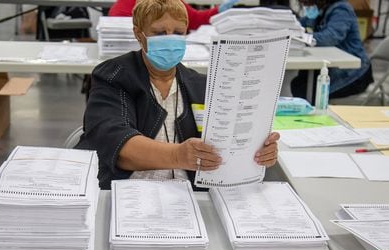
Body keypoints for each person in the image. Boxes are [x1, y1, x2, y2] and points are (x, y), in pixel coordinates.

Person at [76, 0, 280, 190]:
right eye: (159, 33)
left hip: (190, 197)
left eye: (178, 32)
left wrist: (255, 152)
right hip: (128, 192)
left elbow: (225, 144)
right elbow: (114, 144)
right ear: (139, 34)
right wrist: (178, 155)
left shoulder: (201, 85)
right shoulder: (113, 76)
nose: (170, 39)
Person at [291, 0, 373, 102]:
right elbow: (302, 24)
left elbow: (331, 37)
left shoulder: (341, 10)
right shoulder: (321, 10)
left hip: (353, 74)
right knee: (300, 82)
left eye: (307, 2)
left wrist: (302, 37)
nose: (305, 5)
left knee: (307, 90)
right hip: (333, 69)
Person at [108, 0, 239, 30]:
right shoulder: (124, 7)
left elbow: (194, 19)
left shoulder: (173, 2)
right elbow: (118, 35)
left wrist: (218, 11)